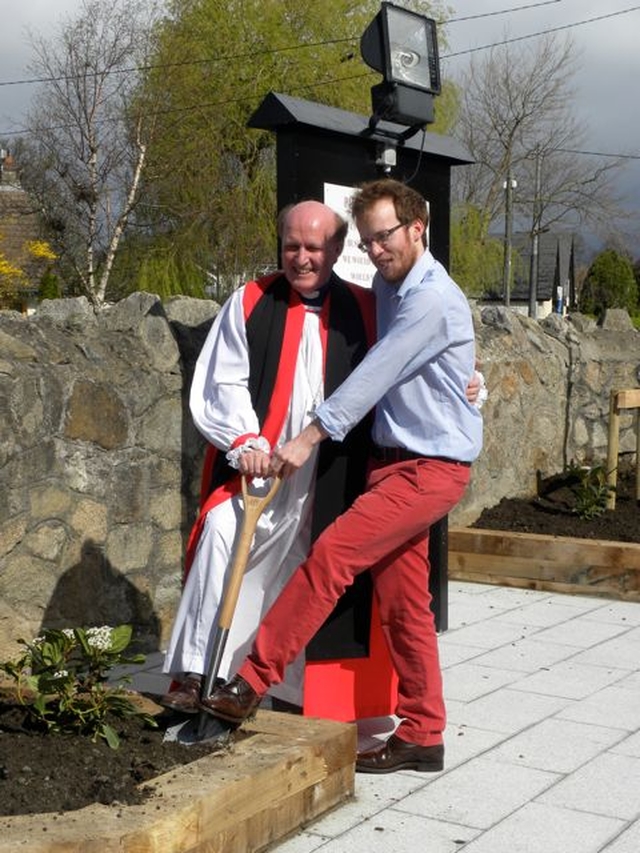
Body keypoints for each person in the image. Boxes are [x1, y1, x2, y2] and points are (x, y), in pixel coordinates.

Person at [197, 178, 484, 775]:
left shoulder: (431, 297)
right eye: (369, 240)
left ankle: (249, 683)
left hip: (430, 471)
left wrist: (309, 435)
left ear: (417, 228)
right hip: (391, 465)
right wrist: (470, 378)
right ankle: (424, 735)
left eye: (387, 236)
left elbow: (377, 370)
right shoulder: (388, 286)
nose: (378, 250)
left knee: (330, 557)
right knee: (406, 606)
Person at [160, 200, 382, 717]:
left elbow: (406, 360)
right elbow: (223, 379)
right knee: (219, 535)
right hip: (257, 467)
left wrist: (464, 380)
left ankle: (280, 688)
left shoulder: (367, 309)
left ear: (336, 248)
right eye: (291, 245)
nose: (302, 258)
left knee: (306, 566)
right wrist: (244, 442)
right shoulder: (250, 300)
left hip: (327, 472)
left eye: (314, 247)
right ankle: (196, 671)